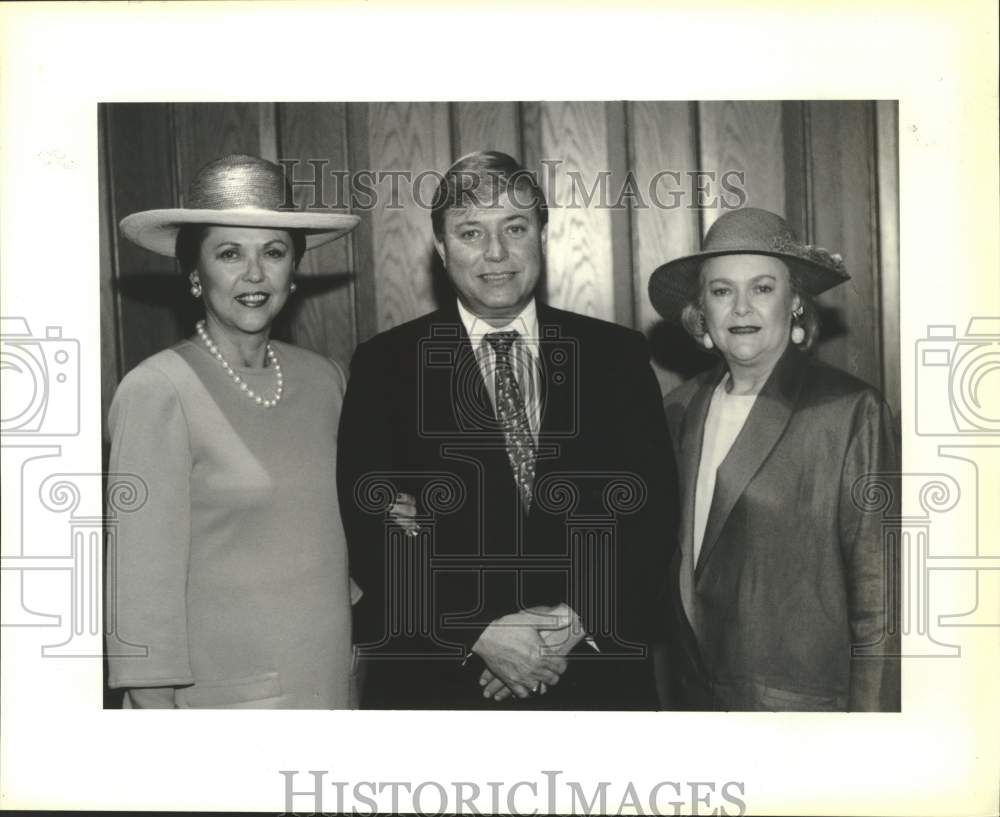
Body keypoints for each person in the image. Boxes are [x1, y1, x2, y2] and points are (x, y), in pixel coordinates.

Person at [337, 150, 678, 709]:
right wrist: (479, 632)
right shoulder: (385, 366)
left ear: (541, 236)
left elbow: (654, 511)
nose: (496, 253)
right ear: (443, 250)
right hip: (442, 689)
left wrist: (570, 626)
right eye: (471, 233)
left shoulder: (615, 356)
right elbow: (369, 530)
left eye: (514, 228)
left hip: (595, 681)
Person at [106, 154, 361, 708]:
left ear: (293, 271)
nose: (253, 274)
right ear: (195, 274)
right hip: (220, 705)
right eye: (229, 254)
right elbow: (139, 595)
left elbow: (327, 530)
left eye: (273, 252)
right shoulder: (156, 390)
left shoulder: (324, 380)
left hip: (328, 685)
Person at [648, 207, 900, 711]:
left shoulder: (850, 411)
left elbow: (882, 603)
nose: (741, 308)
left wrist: (875, 743)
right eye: (721, 292)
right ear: (702, 313)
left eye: (762, 288)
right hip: (695, 715)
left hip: (804, 723)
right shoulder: (678, 410)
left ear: (796, 304)